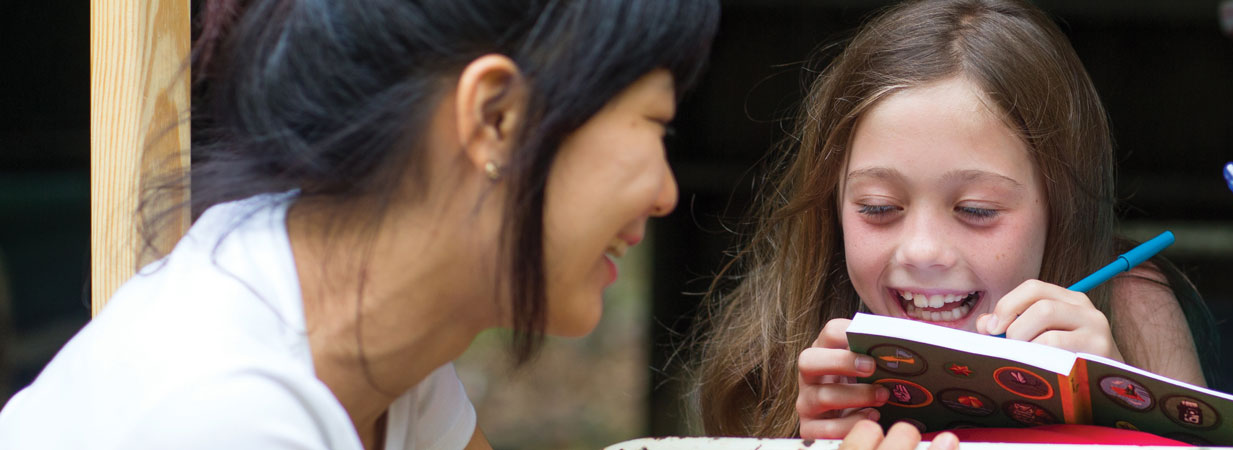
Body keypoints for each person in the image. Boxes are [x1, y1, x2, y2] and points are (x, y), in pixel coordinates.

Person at [0, 0, 717, 448]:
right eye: (655, 124)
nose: (663, 193)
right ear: (495, 117)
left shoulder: (377, 339)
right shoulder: (225, 412)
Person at [691, 0, 1208, 441]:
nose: (921, 250)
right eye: (878, 208)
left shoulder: (1129, 307)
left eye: (976, 211)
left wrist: (1114, 411)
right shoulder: (785, 341)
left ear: (1061, 206)